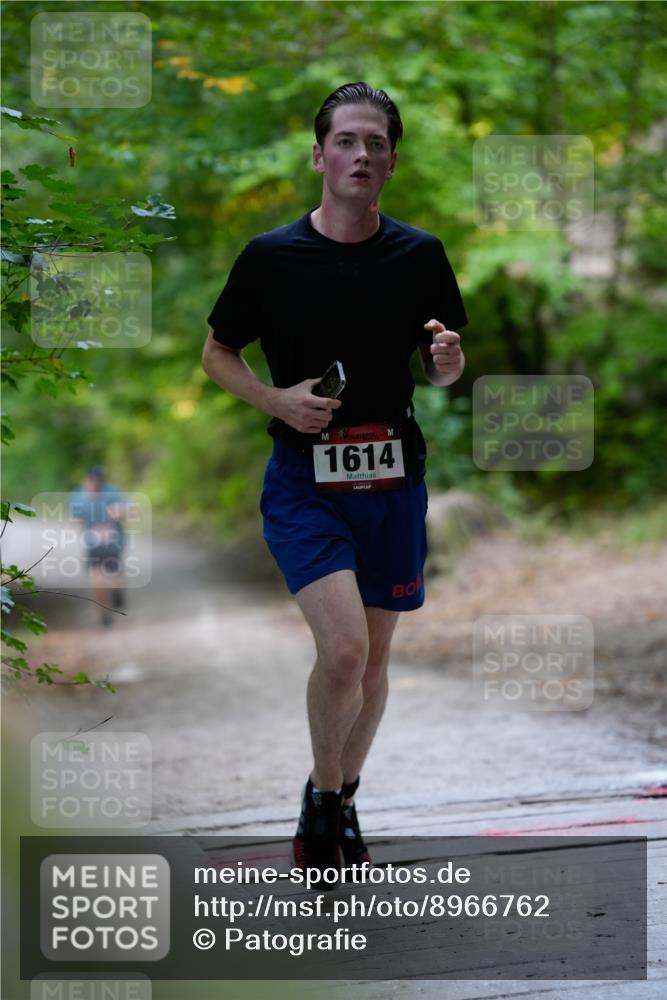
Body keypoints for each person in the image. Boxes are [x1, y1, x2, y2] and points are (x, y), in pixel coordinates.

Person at [202, 82, 468, 888]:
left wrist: (447, 365)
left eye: (376, 143)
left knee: (374, 664)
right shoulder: (270, 257)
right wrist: (276, 399)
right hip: (303, 481)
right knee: (344, 650)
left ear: (390, 161)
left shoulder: (418, 255)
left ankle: (340, 798)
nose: (361, 154)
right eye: (346, 141)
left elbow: (437, 360)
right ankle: (324, 806)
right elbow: (218, 355)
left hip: (392, 475)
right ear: (319, 156)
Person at [69, 465, 127, 627]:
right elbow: (75, 517)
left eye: (99, 481)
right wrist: (76, 521)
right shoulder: (79, 495)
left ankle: (117, 593)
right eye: (93, 481)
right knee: (97, 580)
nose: (96, 484)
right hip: (93, 543)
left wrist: (117, 513)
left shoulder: (111, 492)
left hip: (112, 543)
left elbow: (123, 509)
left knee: (115, 576)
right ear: (87, 480)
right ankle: (104, 613)